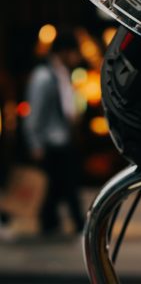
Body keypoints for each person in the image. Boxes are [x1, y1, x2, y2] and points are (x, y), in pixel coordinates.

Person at [23, 28, 85, 236]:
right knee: (65, 187)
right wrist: (35, 144)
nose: (77, 58)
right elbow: (35, 113)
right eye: (75, 52)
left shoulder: (62, 74)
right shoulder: (44, 76)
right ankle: (76, 224)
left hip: (62, 140)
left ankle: (52, 223)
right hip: (51, 142)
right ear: (65, 52)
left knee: (58, 187)